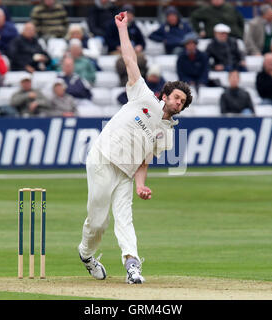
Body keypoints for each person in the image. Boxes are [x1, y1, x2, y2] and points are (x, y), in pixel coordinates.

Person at [77, 11, 192, 284]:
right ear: (165, 94)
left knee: (125, 220)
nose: (178, 102)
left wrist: (141, 185)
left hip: (126, 174)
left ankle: (132, 266)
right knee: (98, 223)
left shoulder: (168, 134)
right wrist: (122, 29)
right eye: (176, 97)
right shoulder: (142, 95)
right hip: (103, 159)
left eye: (182, 102)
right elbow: (129, 58)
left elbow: (144, 161)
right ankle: (86, 254)